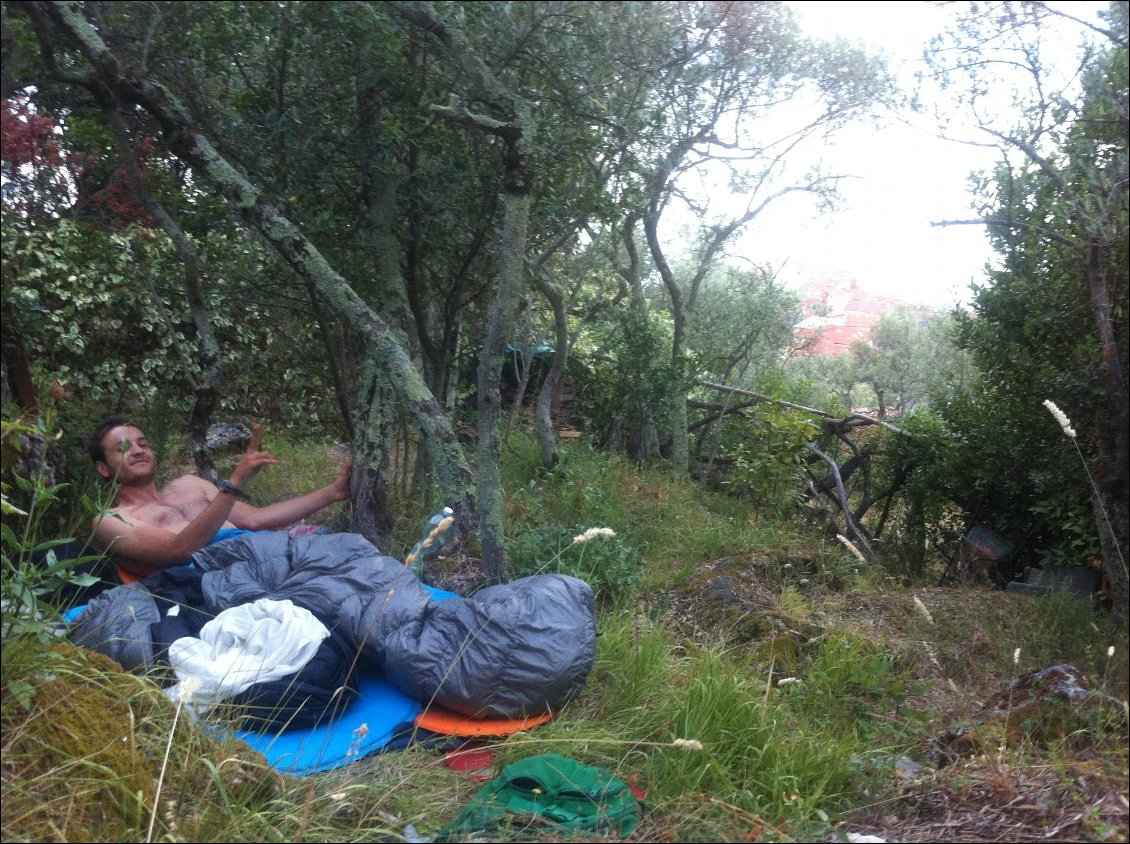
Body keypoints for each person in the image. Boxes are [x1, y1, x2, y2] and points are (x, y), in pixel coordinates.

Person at [87, 415, 351, 583]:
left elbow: (255, 519)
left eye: (142, 444)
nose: (137, 450)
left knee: (347, 552)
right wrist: (233, 484)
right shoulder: (110, 519)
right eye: (123, 448)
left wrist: (332, 493)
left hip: (264, 547)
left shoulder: (189, 484)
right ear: (103, 468)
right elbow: (178, 551)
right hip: (219, 571)